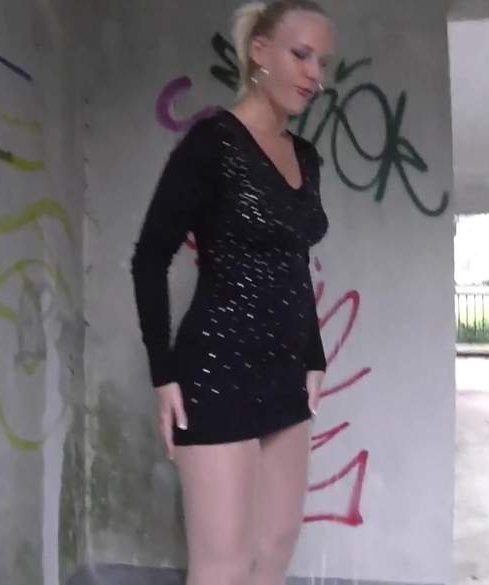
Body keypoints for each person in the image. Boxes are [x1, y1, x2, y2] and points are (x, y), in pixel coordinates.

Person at [129, 2, 334, 584]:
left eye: (323, 62)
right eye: (301, 55)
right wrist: (163, 374)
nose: (314, 74)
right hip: (216, 371)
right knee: (223, 564)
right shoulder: (212, 143)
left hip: (285, 373)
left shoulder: (306, 157)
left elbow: (294, 260)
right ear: (259, 52)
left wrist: (314, 356)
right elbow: (150, 257)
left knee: (275, 549)